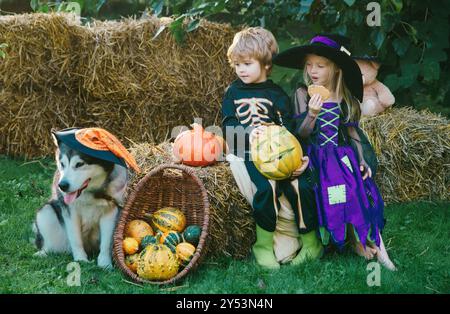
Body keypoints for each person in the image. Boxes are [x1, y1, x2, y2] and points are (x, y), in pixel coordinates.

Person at [273, 34, 396, 270]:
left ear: (335, 68)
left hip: (341, 157)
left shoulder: (345, 97)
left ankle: (376, 246)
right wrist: (312, 114)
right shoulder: (302, 93)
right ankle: (348, 239)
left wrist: (362, 161)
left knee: (360, 187)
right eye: (309, 65)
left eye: (320, 65)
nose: (313, 70)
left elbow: (352, 135)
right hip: (314, 157)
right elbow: (301, 134)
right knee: (337, 189)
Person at [221, 27, 323, 270]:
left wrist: (296, 158)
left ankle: (311, 244)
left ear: (266, 64)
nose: (241, 69)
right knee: (265, 188)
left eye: (247, 63)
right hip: (249, 151)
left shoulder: (276, 93)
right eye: (237, 64)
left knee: (303, 186)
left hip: (279, 151)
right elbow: (228, 125)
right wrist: (247, 133)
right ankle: (264, 247)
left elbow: (287, 128)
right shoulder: (233, 92)